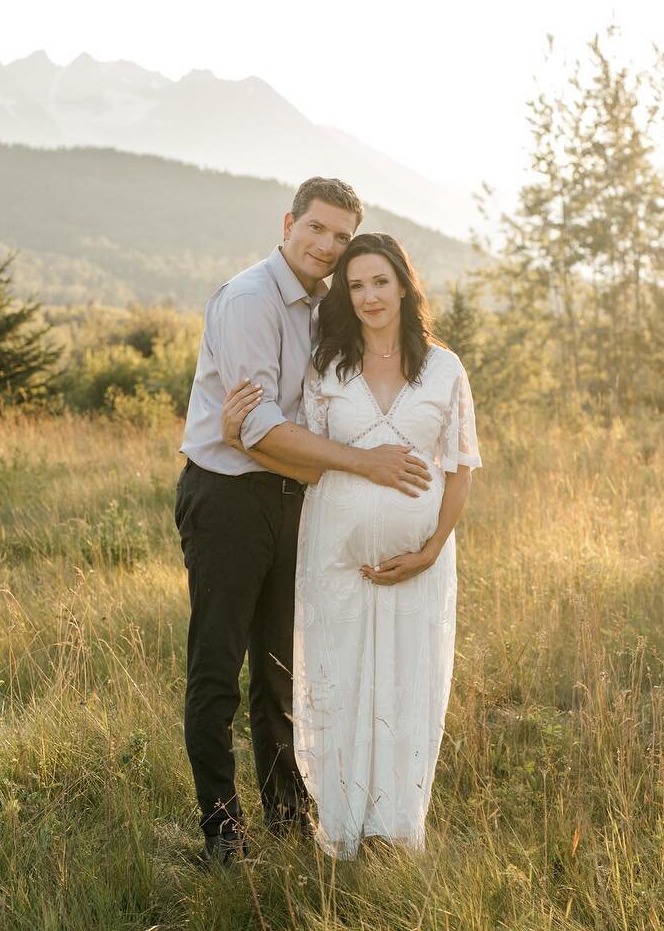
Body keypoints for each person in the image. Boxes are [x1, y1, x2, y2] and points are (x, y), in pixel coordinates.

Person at [175, 179, 433, 867]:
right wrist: (359, 462)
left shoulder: (329, 307)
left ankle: (289, 822)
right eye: (316, 229)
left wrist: (269, 443)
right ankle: (223, 838)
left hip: (293, 500)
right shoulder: (250, 301)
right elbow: (256, 425)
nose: (327, 246)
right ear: (288, 222)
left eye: (341, 236)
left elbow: (316, 409)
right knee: (216, 669)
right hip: (228, 501)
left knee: (282, 670)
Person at [222, 232, 480, 859]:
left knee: (405, 684)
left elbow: (461, 467)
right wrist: (241, 441)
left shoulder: (444, 369)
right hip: (334, 556)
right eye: (355, 285)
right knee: (339, 682)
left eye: (379, 282)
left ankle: (394, 827)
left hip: (418, 565)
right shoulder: (329, 366)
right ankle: (340, 824)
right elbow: (306, 460)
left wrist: (430, 548)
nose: (368, 296)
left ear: (402, 285)